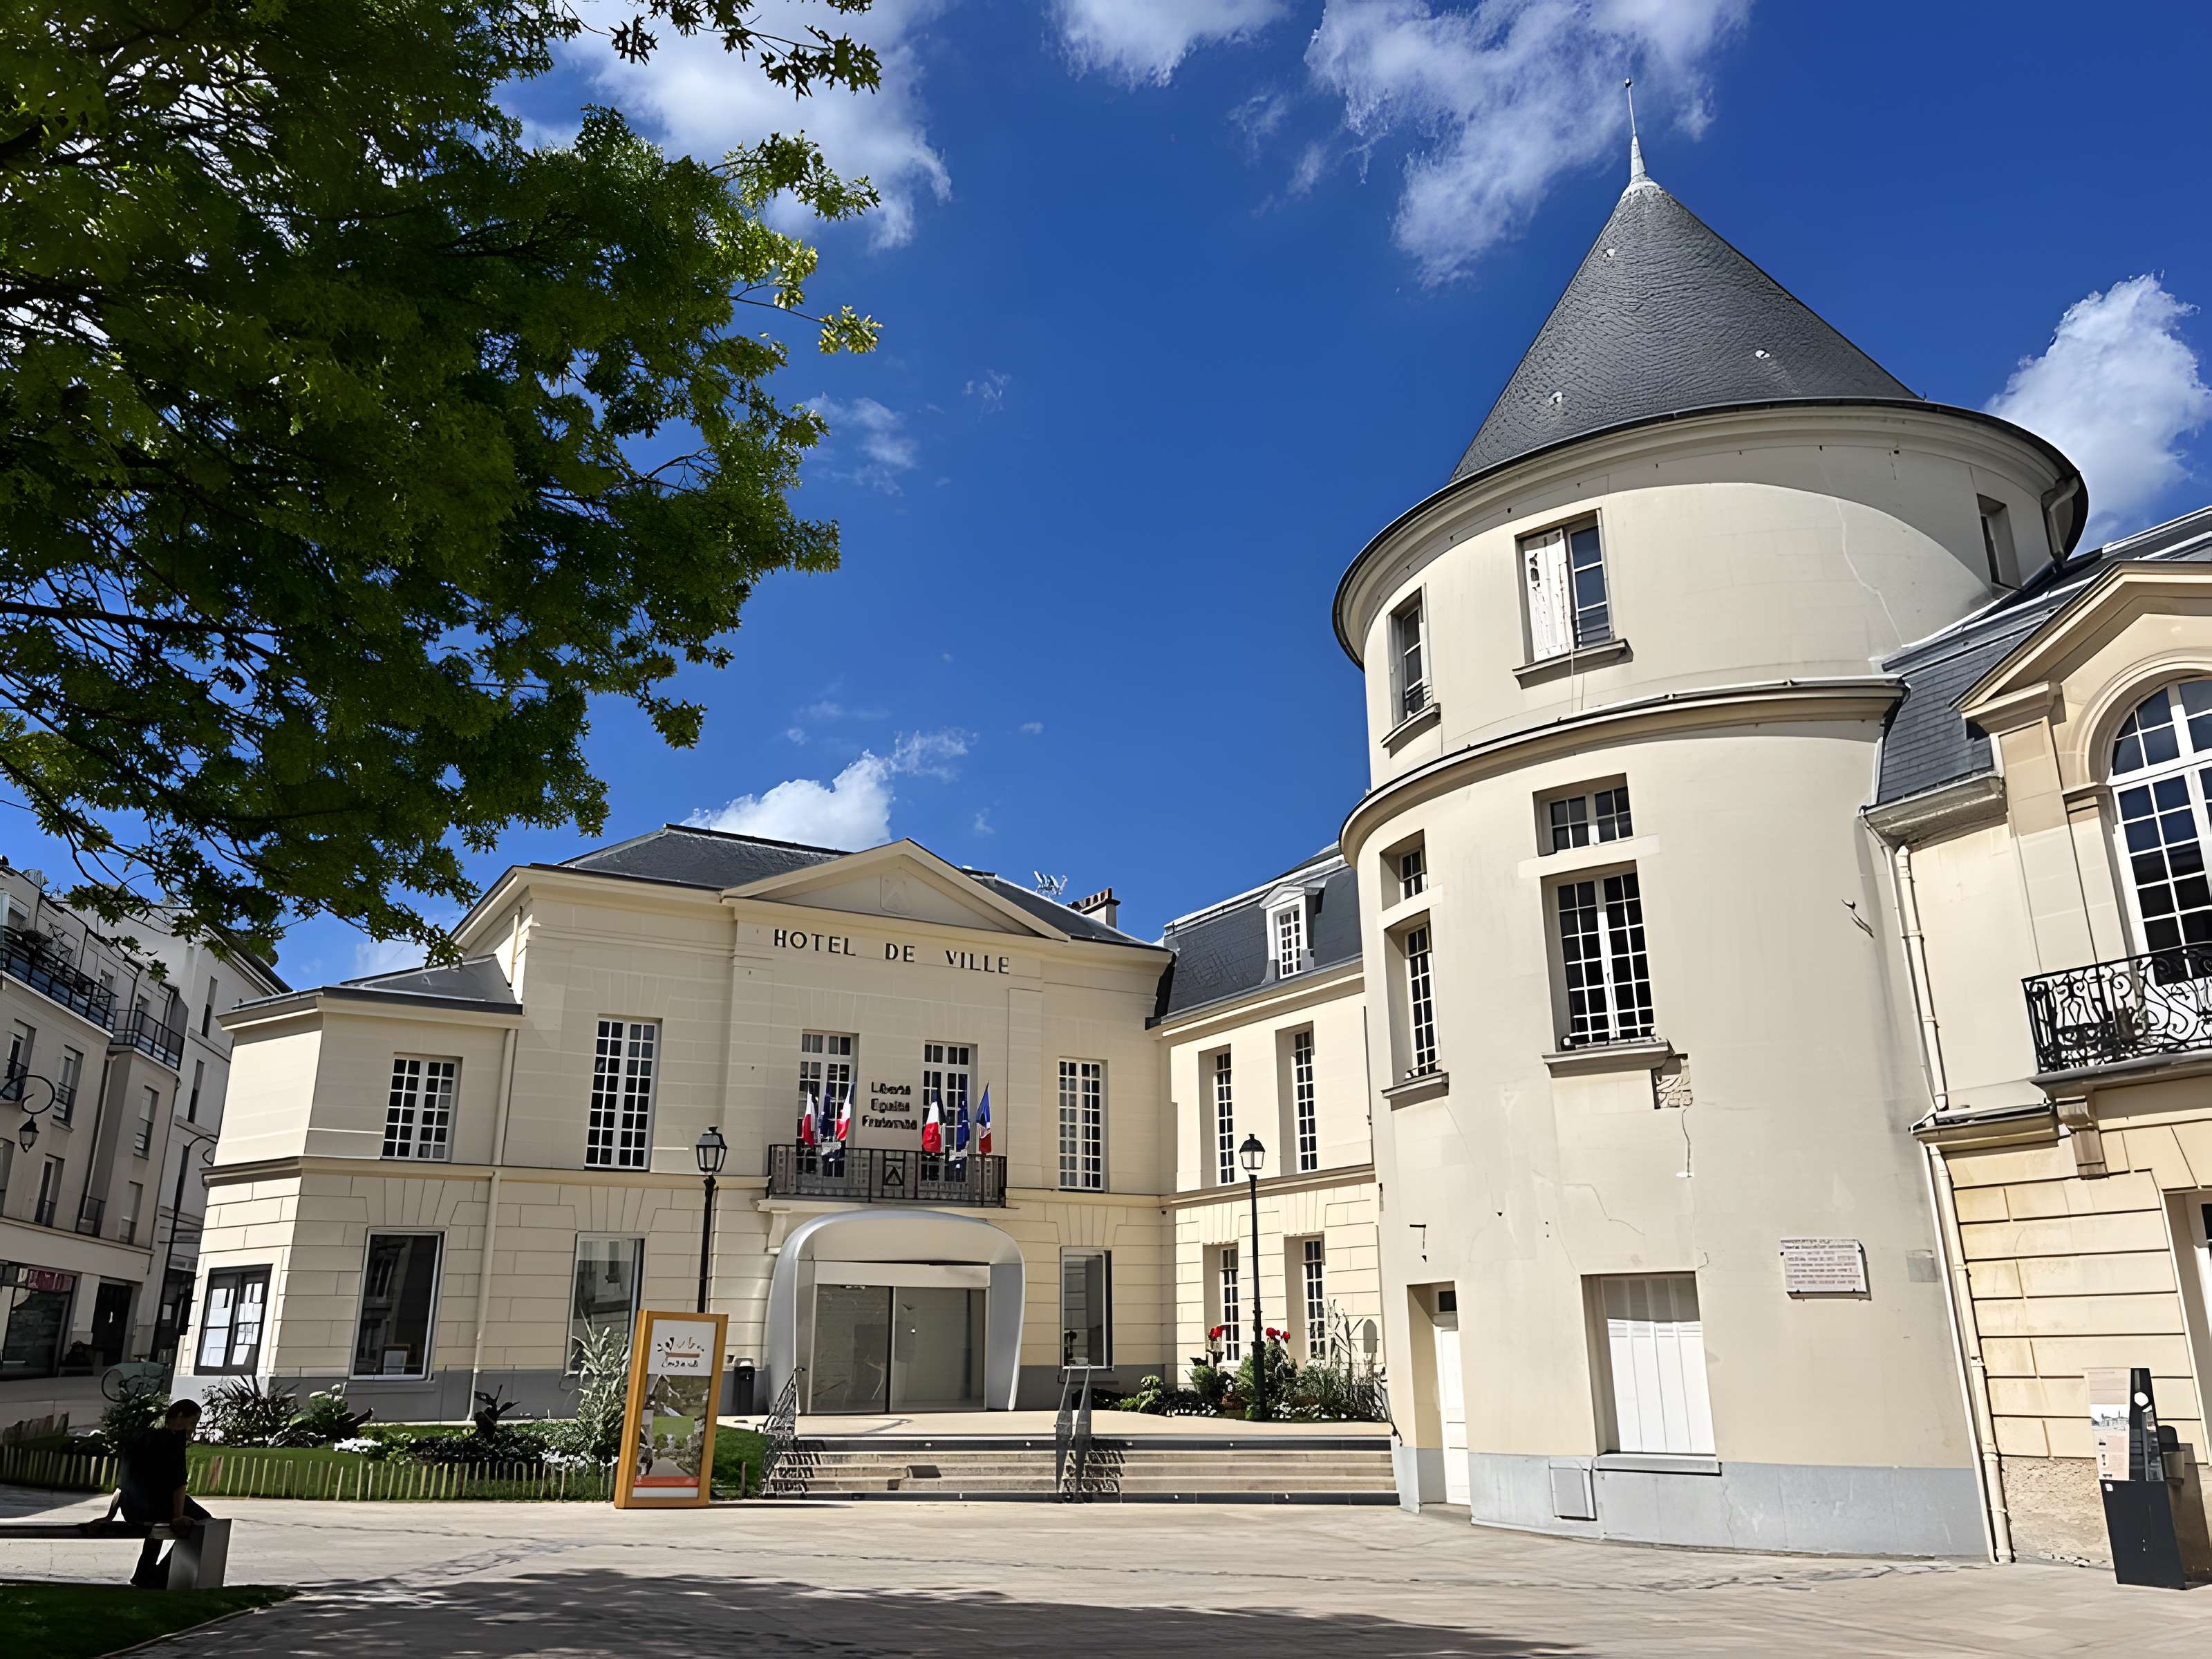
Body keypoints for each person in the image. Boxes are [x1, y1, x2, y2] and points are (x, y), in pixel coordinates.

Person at [94, 1399, 209, 1589]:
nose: (193, 1429)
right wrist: (178, 1517)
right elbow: (179, 1483)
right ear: (180, 1417)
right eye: (193, 1422)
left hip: (133, 1509)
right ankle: (162, 1574)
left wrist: (110, 1515)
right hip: (157, 1507)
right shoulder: (176, 1439)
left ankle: (144, 1573)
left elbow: (123, 1483)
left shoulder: (140, 1436)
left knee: (158, 1527)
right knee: (205, 1523)